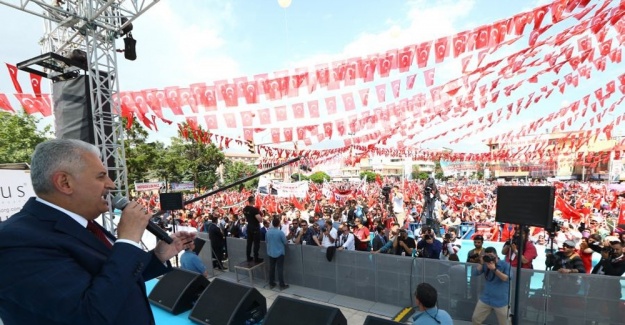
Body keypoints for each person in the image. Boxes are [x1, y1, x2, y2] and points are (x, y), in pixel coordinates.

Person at [0, 139, 195, 325]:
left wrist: (158, 256)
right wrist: (127, 241)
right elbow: (88, 315)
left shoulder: (83, 223)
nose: (111, 184)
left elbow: (112, 279)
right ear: (65, 183)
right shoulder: (16, 241)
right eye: (101, 176)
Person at [471, 247, 511, 325]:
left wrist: (494, 269)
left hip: (501, 301)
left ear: (496, 255)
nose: (489, 258)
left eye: (490, 256)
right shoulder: (485, 264)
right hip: (486, 298)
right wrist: (482, 263)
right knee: (475, 319)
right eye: (487, 256)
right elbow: (475, 273)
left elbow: (506, 278)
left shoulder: (505, 265)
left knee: (505, 323)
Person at [265, 217, 289, 290]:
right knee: (280, 269)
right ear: (278, 224)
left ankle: (271, 283)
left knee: (271, 268)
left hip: (270, 252)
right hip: (279, 253)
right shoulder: (280, 232)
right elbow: (285, 242)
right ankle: (281, 285)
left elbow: (266, 241)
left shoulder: (268, 232)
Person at [243, 196, 263, 264]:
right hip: (255, 227)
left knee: (249, 243)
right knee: (256, 243)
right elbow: (260, 220)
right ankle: (256, 258)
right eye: (254, 200)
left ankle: (248, 257)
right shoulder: (254, 209)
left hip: (249, 226)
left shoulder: (245, 209)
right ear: (252, 201)